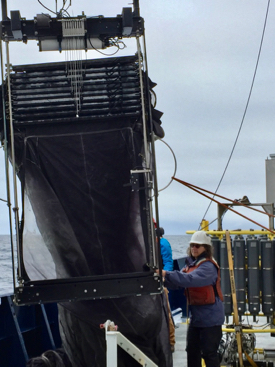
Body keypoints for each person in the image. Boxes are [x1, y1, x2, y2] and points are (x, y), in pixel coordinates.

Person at [157, 230, 224, 367]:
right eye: (192, 245)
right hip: (197, 318)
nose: (194, 248)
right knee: (192, 351)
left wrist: (165, 273)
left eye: (198, 246)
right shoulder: (191, 265)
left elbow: (189, 279)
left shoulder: (208, 267)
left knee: (209, 353)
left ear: (206, 248)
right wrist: (162, 280)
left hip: (211, 319)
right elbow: (178, 281)